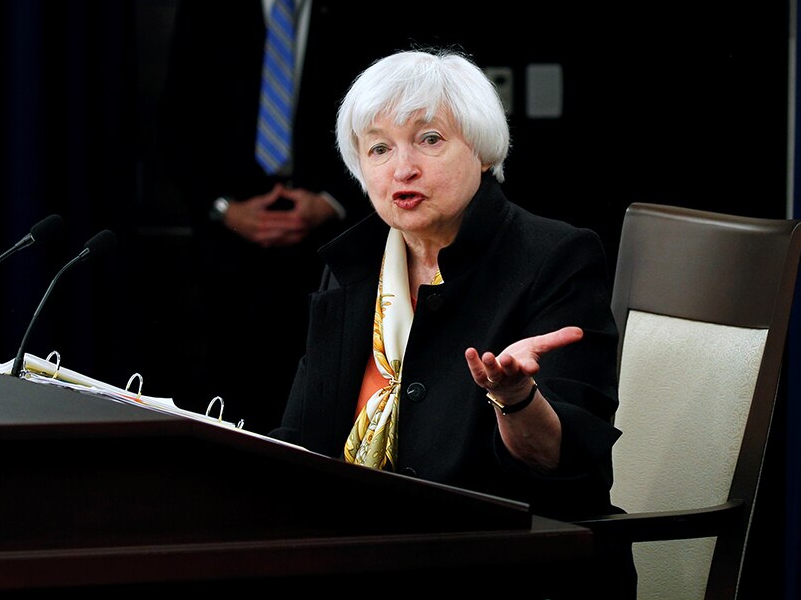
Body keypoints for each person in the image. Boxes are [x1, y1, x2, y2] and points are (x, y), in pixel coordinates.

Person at [271, 50, 634, 596]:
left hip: (506, 570)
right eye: (378, 147)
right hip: (359, 558)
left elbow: (571, 468)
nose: (402, 168)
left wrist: (516, 399)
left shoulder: (555, 256)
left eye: (430, 139)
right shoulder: (351, 270)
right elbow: (301, 441)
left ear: (483, 152)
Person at [158, 0, 369, 430]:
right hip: (230, 239)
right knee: (233, 393)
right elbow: (176, 128)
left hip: (326, 240)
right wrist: (226, 209)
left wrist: (332, 201)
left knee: (321, 397)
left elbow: (381, 120)